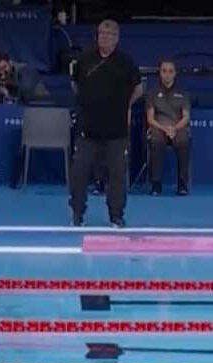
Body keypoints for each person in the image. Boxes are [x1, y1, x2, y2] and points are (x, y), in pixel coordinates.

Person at [69, 20, 143, 228]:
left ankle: (116, 215)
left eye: (109, 34)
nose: (105, 37)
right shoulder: (84, 59)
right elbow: (75, 84)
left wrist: (123, 105)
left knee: (117, 176)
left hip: (116, 131)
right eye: (102, 33)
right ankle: (77, 213)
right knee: (79, 173)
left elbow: (138, 89)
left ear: (116, 39)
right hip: (87, 129)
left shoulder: (126, 62)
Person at [145, 59, 191, 196]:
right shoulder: (152, 93)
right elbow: (150, 119)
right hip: (158, 127)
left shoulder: (183, 93)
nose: (167, 74)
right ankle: (156, 183)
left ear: (175, 73)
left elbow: (186, 117)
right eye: (164, 71)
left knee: (183, 141)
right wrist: (164, 128)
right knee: (156, 141)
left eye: (170, 71)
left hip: (177, 128)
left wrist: (174, 128)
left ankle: (182, 183)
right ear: (160, 73)